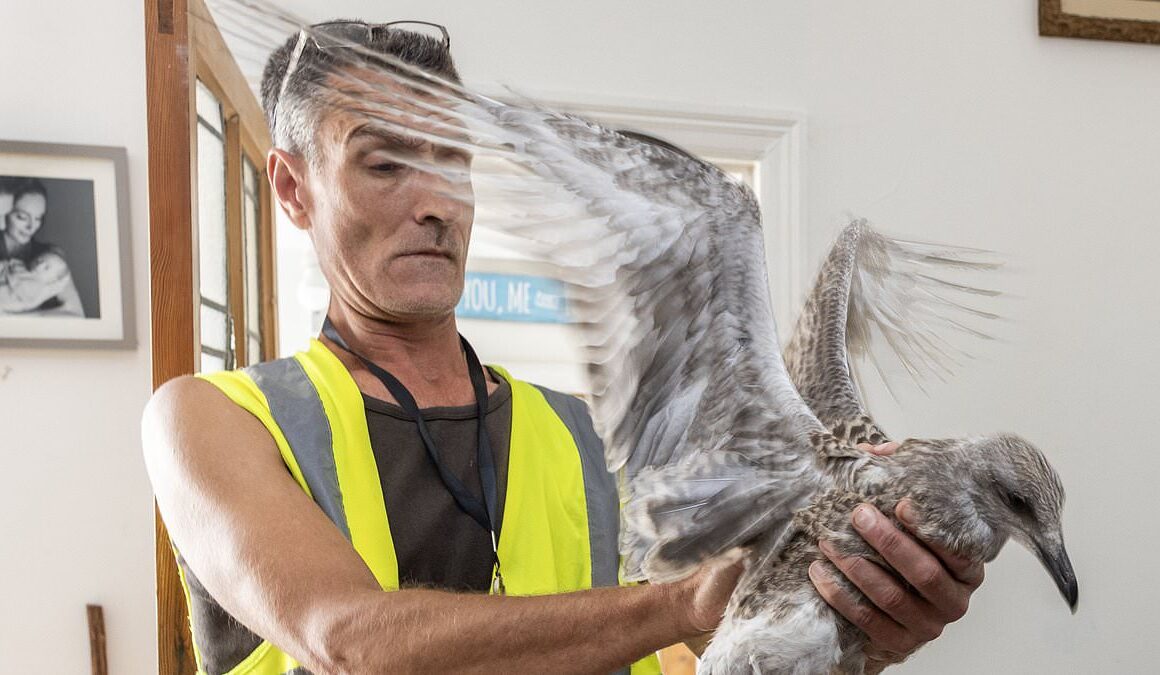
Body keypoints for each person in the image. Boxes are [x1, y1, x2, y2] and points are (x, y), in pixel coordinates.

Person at [141, 21, 982, 675]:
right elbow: (349, 643)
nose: (435, 200)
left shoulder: (585, 439)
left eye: (453, 160)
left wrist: (860, 623)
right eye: (386, 163)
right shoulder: (212, 421)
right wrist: (685, 600)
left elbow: (713, 657)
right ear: (292, 188)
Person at [0, 177, 84, 316]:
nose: (31, 226)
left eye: (38, 218)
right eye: (22, 217)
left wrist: (13, 318)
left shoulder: (50, 257)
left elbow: (76, 315)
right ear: (6, 212)